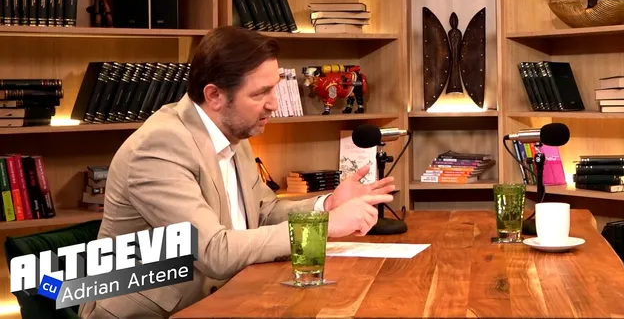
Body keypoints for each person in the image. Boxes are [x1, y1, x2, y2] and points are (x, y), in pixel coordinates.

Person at [79, 26, 395, 319]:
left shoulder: (234, 131)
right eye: (260, 94)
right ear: (215, 96)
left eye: (274, 90)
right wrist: (324, 228)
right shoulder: (159, 148)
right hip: (150, 312)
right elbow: (214, 252)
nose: (274, 104)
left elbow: (263, 212)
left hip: (223, 298)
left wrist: (326, 206)